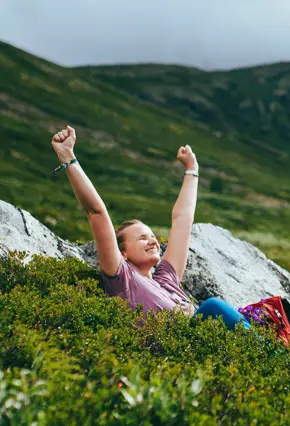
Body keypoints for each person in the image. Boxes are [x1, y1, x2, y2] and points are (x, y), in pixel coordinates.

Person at [51, 125, 250, 330]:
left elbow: (183, 220)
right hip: (177, 348)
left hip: (208, 347)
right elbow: (96, 213)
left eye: (152, 236)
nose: (153, 241)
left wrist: (192, 170)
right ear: (124, 253)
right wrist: (68, 157)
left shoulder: (166, 279)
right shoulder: (122, 278)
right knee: (213, 306)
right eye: (142, 238)